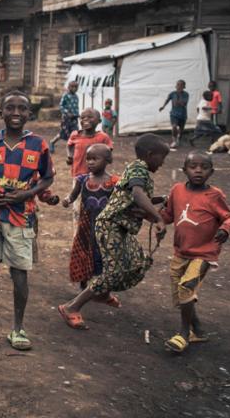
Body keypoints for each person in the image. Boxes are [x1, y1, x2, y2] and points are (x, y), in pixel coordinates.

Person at [0, 91, 54, 351]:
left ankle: (17, 328)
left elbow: (47, 177)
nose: (16, 113)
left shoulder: (39, 144)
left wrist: (27, 194)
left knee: (19, 274)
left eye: (22, 109)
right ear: (1, 112)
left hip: (20, 216)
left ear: (29, 114)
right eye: (10, 108)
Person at [56, 134, 169, 331]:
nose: (163, 163)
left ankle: (102, 294)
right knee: (114, 270)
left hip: (118, 226)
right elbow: (137, 195)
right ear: (151, 155)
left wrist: (162, 200)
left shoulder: (136, 172)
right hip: (110, 226)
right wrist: (158, 218)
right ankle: (71, 307)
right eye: (162, 157)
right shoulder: (138, 169)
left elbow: (134, 200)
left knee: (133, 260)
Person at [158, 152, 230, 353]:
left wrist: (225, 229)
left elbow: (228, 217)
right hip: (181, 252)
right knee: (182, 294)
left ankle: (183, 333)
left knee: (186, 286)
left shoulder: (214, 195)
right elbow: (168, 216)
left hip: (205, 253)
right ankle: (198, 330)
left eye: (204, 167)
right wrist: (149, 216)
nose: (198, 170)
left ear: (211, 171)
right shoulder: (177, 190)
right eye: (193, 166)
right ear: (184, 170)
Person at [61, 144, 120, 303]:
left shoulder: (114, 182)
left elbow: (120, 201)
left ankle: (103, 290)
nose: (90, 162)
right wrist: (67, 200)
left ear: (107, 160)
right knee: (84, 251)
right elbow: (73, 195)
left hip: (106, 227)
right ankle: (84, 283)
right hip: (87, 225)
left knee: (103, 254)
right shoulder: (83, 180)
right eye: (88, 159)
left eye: (95, 158)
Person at [67, 108, 113, 177]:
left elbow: (109, 152)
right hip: (77, 174)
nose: (85, 119)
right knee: (77, 187)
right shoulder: (75, 135)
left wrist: (107, 159)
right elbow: (69, 145)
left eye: (90, 117)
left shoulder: (103, 137)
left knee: (94, 187)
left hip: (96, 175)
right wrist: (70, 156)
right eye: (82, 118)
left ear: (99, 121)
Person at [50, 80, 79, 153]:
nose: (74, 88)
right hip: (66, 119)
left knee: (75, 133)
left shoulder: (76, 96)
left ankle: (71, 151)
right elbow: (61, 106)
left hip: (74, 118)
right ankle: (52, 142)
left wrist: (77, 114)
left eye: (76, 87)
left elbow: (76, 107)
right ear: (69, 87)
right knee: (63, 133)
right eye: (73, 87)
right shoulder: (66, 95)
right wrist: (67, 113)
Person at [159, 80, 189, 150]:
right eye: (178, 85)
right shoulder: (172, 94)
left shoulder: (186, 94)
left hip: (182, 114)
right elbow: (167, 99)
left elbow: (184, 103)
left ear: (184, 86)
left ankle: (179, 138)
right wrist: (163, 106)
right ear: (176, 86)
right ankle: (174, 140)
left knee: (181, 129)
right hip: (174, 114)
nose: (179, 86)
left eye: (181, 85)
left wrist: (178, 102)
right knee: (174, 126)